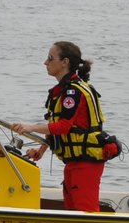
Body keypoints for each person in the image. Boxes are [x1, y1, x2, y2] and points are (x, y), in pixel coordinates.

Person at [12, 41, 109, 212]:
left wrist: (31, 127)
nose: (45, 62)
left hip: (86, 163)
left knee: (85, 212)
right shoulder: (62, 91)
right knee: (72, 210)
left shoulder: (74, 91)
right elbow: (56, 127)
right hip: (73, 162)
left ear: (65, 62)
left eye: (50, 58)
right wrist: (41, 150)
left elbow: (64, 126)